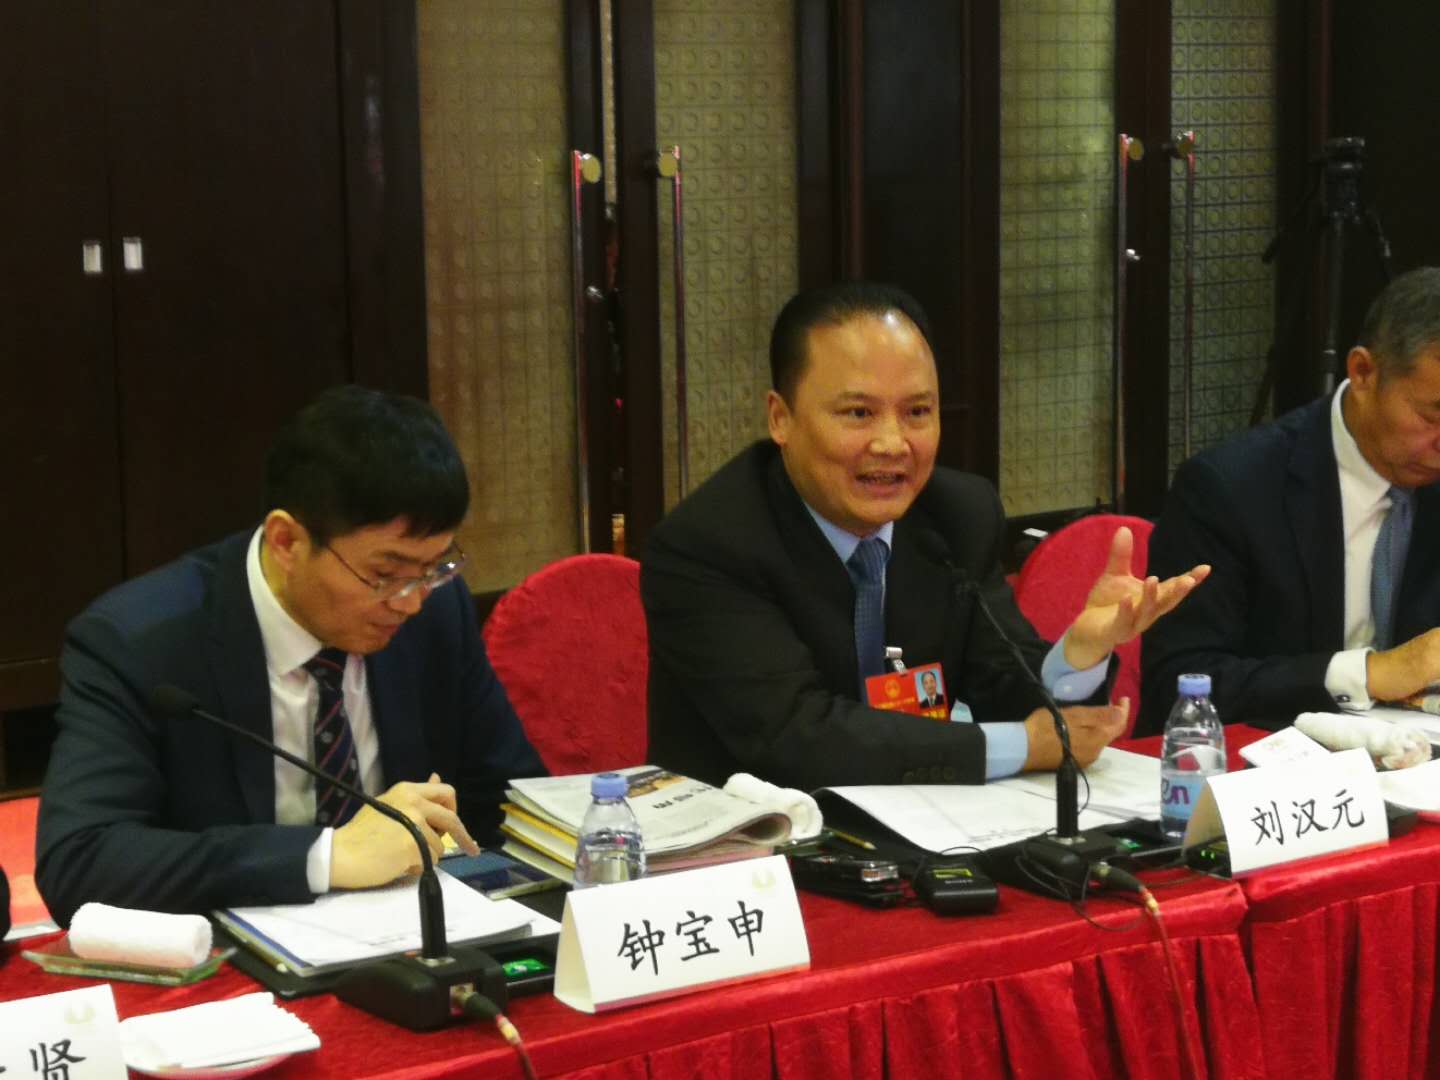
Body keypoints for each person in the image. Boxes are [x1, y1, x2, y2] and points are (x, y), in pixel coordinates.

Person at [642, 281, 1207, 789]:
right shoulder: (709, 545)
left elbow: (1008, 688)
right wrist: (1019, 745)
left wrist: (1080, 653)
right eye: (858, 414)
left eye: (917, 412)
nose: (892, 444)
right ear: (780, 418)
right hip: (760, 844)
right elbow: (795, 737)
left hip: (925, 828)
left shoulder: (955, 515)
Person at [36, 386, 546, 926]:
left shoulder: (436, 612)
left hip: (415, 938)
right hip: (230, 955)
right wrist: (327, 857)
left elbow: (509, 802)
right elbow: (79, 862)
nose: (411, 601)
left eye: (434, 567)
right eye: (384, 574)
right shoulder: (139, 642)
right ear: (286, 541)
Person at [1140, 267, 1440, 734]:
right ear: (1363, 372)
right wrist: (1366, 674)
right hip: (1273, 760)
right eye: (1432, 416)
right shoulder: (1230, 488)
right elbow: (1179, 684)